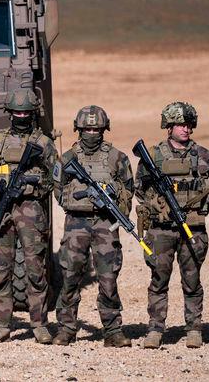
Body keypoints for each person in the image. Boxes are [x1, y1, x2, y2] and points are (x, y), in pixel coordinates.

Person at [136, 102, 209, 349]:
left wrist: (196, 210)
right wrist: (159, 206)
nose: (186, 129)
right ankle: (155, 329)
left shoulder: (203, 155)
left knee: (191, 281)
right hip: (161, 230)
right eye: (181, 125)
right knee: (159, 280)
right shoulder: (154, 155)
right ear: (168, 127)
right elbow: (140, 189)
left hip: (192, 228)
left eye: (189, 125)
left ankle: (193, 329)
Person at [52, 106, 133, 347]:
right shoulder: (67, 158)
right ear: (78, 129)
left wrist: (111, 195)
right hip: (76, 222)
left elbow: (128, 190)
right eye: (87, 128)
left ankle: (112, 330)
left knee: (108, 278)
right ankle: (66, 329)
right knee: (70, 276)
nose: (91, 133)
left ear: (103, 129)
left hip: (106, 223)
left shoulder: (117, 158)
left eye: (96, 129)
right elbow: (57, 189)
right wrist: (78, 197)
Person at [0, 89, 58, 344]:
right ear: (9, 113)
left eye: (25, 112)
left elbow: (56, 178)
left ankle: (39, 324)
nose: (21, 116)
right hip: (3, 211)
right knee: (0, 271)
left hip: (31, 211)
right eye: (17, 112)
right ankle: (2, 324)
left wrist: (33, 185)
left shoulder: (44, 143)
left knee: (35, 269)